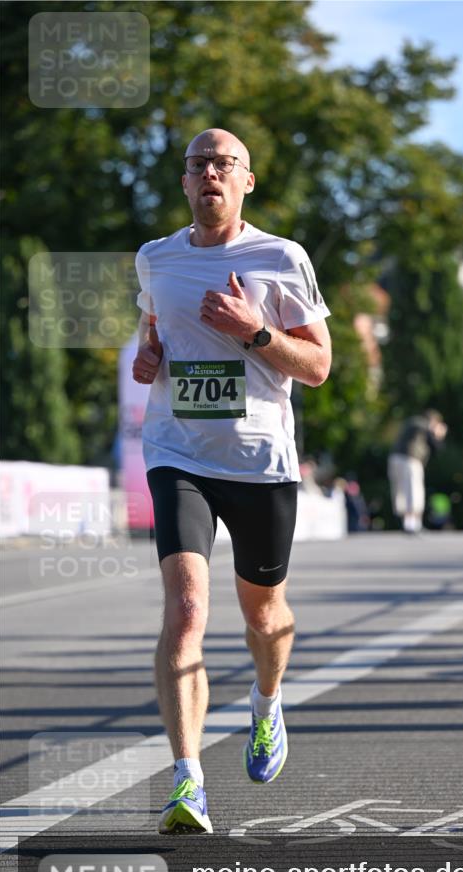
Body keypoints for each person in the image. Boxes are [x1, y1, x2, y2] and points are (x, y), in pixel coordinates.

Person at [131, 128, 331, 834]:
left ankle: (267, 703)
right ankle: (187, 783)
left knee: (263, 619)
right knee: (186, 611)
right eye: (197, 164)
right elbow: (154, 338)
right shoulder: (155, 259)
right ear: (184, 182)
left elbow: (316, 366)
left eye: (224, 163)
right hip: (177, 453)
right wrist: (149, 358)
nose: (210, 172)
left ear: (247, 181)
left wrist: (254, 331)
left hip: (259, 462)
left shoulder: (281, 258)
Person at [388, 411, 447, 533]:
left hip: (400, 459)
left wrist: (438, 436)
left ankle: (412, 523)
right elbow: (427, 435)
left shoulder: (418, 426)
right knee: (411, 491)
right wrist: (435, 431)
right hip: (409, 460)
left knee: (406, 491)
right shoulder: (419, 422)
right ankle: (410, 523)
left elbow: (437, 448)